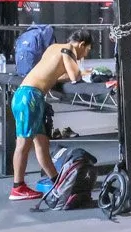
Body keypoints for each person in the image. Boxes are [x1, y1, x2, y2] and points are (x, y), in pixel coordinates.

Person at [7, 28, 96, 202]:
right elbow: (75, 76)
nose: (84, 55)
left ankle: (58, 183)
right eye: (87, 50)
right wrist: (84, 72)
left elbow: (54, 75)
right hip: (30, 97)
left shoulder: (53, 48)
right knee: (23, 144)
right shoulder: (68, 50)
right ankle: (18, 187)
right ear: (82, 44)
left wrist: (77, 72)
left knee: (42, 144)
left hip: (28, 95)